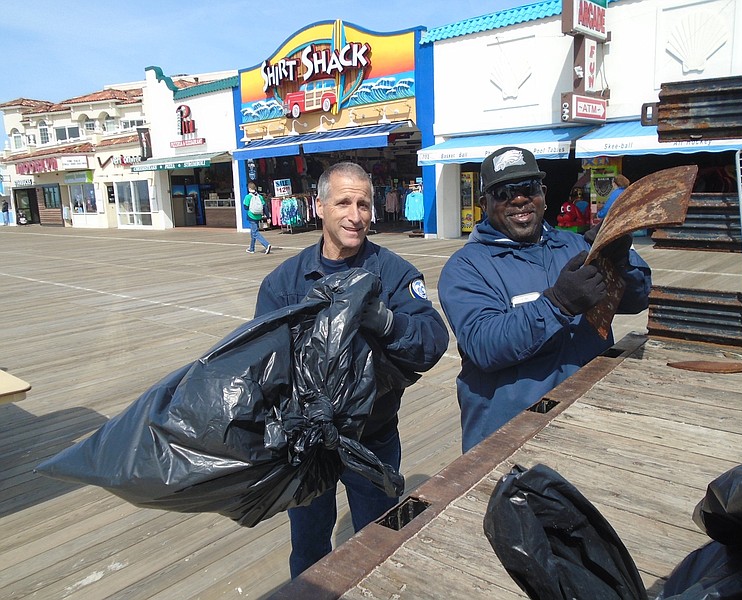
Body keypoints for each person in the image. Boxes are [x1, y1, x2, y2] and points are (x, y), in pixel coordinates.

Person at [254, 161, 449, 578]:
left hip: (372, 438)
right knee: (308, 548)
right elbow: (261, 368)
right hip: (305, 447)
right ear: (319, 206)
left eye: (364, 204)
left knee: (379, 544)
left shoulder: (393, 273)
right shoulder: (284, 283)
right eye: (343, 202)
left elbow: (433, 343)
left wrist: (388, 321)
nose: (355, 215)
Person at [438, 147, 651, 453]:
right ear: (484, 204)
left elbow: (636, 300)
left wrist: (620, 263)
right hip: (511, 435)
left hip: (592, 418)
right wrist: (558, 303)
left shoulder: (576, 245)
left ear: (544, 194)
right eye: (503, 193)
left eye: (528, 188)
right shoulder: (465, 268)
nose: (519, 199)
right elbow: (485, 345)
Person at [243, 182, 272, 254]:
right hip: (258, 216)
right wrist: (268, 217)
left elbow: (245, 207)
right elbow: (265, 207)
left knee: (255, 232)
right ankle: (251, 248)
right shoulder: (260, 196)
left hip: (251, 215)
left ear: (249, 189)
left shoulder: (248, 197)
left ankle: (266, 244)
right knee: (253, 232)